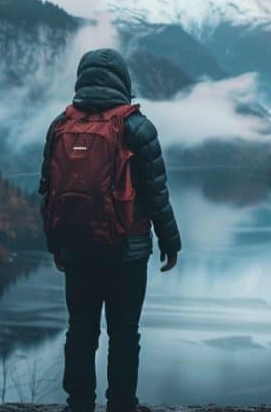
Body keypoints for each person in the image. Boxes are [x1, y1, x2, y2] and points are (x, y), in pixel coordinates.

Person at [39, 48, 181, 412]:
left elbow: (48, 191)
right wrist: (170, 241)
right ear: (122, 81)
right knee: (123, 333)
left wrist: (56, 244)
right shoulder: (137, 127)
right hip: (127, 250)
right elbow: (155, 193)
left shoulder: (60, 126)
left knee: (81, 331)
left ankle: (79, 404)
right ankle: (121, 405)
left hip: (77, 248)